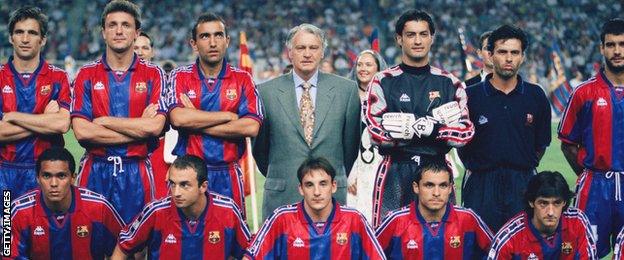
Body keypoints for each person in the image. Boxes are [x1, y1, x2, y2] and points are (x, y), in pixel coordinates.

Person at [364, 9, 474, 227]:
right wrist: (413, 130)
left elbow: (465, 133)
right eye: (410, 34)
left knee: (441, 236)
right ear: (399, 39)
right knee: (389, 237)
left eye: (423, 34)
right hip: (395, 170)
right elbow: (375, 132)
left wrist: (435, 130)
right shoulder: (382, 81)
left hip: (437, 172)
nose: (417, 41)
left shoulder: (450, 83)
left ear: (431, 38)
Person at [71, 0, 167, 223]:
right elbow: (83, 132)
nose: (119, 30)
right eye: (112, 25)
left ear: (136, 32)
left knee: (138, 246)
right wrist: (138, 130)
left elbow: (154, 127)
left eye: (126, 25)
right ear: (103, 32)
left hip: (137, 171)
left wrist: (104, 121)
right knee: (90, 243)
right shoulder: (86, 74)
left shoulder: (154, 74)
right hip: (96, 169)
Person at [253, 23, 361, 220]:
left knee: (331, 250)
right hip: (282, 193)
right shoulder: (265, 92)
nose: (307, 53)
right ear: (290, 53)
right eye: (301, 48)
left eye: (313, 48)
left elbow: (350, 148)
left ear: (322, 53)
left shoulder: (346, 90)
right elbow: (260, 150)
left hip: (330, 195)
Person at [458, 25, 552, 233]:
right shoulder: (470, 96)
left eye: (514, 52)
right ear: (490, 55)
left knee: (521, 247)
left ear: (523, 57)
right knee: (479, 249)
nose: (508, 58)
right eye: (502, 52)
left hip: (523, 184)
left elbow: (540, 145)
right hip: (481, 185)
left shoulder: (535, 96)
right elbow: (462, 145)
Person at [168, 12, 262, 217]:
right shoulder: (180, 76)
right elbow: (178, 119)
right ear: (194, 44)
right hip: (188, 176)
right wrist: (227, 116)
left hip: (227, 173)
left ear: (227, 41)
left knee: (231, 244)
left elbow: (251, 127)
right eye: (205, 36)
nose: (212, 42)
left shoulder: (242, 79)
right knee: (187, 240)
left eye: (218, 35)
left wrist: (195, 118)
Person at [558, 18, 624, 258]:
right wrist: (589, 174)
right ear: (601, 48)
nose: (617, 51)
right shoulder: (584, 92)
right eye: (611, 44)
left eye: (622, 44)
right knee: (583, 252)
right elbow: (567, 143)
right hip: (595, 188)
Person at [112, 155, 251, 259]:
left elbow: (249, 252)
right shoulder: (156, 211)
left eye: (184, 185)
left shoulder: (228, 211)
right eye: (173, 184)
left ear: (203, 186)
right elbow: (123, 246)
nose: (176, 192)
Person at [245, 157, 385, 259]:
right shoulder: (282, 219)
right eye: (309, 185)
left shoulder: (354, 220)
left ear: (334, 186)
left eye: (323, 184)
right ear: (301, 189)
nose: (317, 192)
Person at [0, 6, 71, 197]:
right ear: (10, 37)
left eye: (32, 33)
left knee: (42, 227)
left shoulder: (58, 78)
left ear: (43, 40)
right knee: (6, 226)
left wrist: (13, 117)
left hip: (46, 176)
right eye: (19, 32)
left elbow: (62, 124)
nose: (25, 39)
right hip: (5, 176)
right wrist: (44, 120)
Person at [10, 147, 125, 259]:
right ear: (37, 178)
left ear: (73, 178)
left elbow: (123, 248)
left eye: (61, 176)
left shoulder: (99, 207)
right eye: (46, 176)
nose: (54, 183)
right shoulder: (18, 211)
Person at [375, 160, 493, 259]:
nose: (436, 193)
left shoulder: (468, 219)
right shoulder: (396, 221)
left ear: (450, 188)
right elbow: (371, 254)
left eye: (443, 185)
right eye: (429, 185)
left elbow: (495, 253)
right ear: (416, 187)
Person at [487, 171, 597, 259]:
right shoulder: (509, 238)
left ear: (564, 202)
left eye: (557, 203)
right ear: (531, 202)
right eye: (543, 203)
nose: (550, 212)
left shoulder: (577, 222)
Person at [346, 49, 388, 223]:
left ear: (379, 69)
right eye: (359, 64)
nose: (363, 68)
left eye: (368, 64)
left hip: (381, 168)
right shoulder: (346, 97)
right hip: (353, 170)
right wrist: (347, 173)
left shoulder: (389, 99)